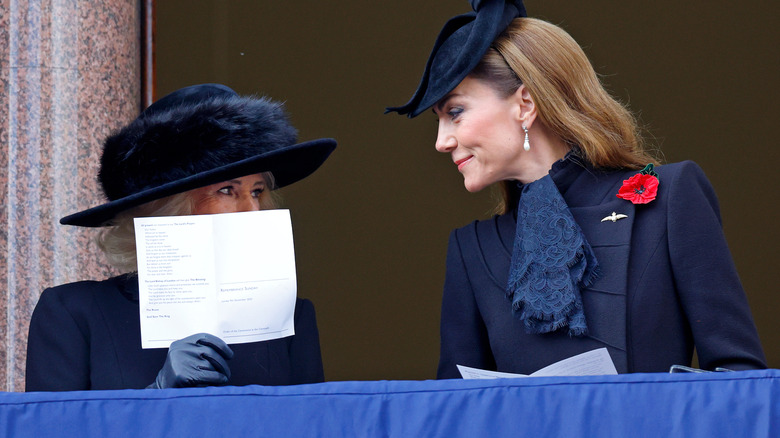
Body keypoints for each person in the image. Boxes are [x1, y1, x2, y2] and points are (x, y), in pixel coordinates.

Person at [386, 0, 766, 377]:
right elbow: (454, 413)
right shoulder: (471, 250)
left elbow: (740, 380)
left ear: (525, 103)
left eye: (455, 112)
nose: (441, 142)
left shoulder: (670, 197)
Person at [26, 83, 336, 391]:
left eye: (257, 191)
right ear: (167, 209)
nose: (251, 209)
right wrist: (156, 393)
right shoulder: (75, 314)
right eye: (227, 190)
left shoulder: (289, 319)